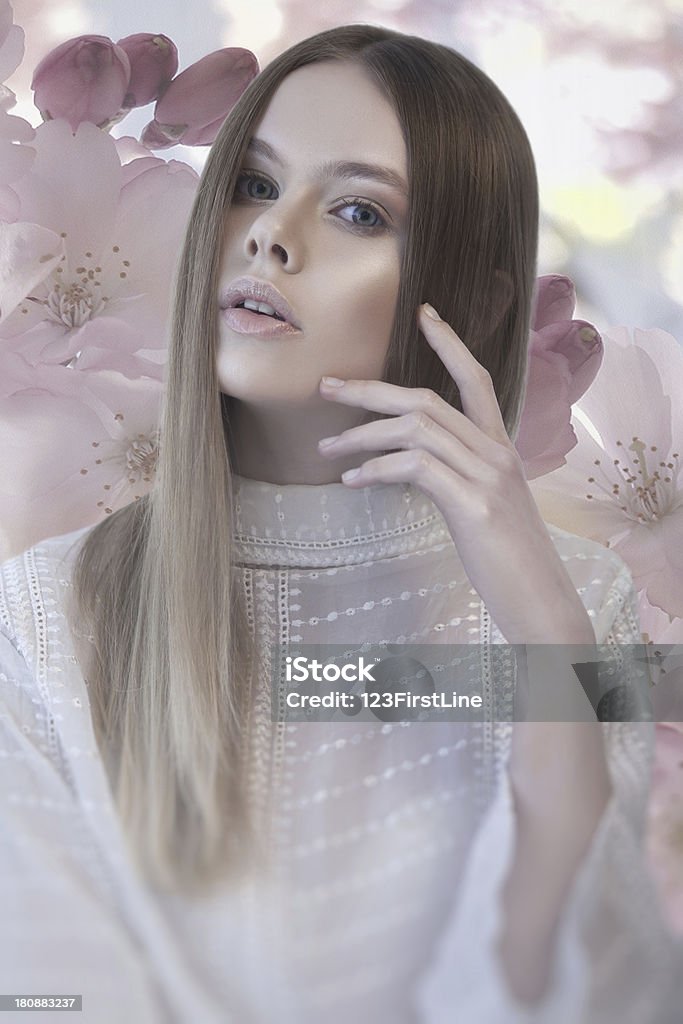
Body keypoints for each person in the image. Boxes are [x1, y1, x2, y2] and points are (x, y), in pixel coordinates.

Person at [0, 23, 681, 1024]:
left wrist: (544, 628)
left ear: (464, 300)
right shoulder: (41, 607)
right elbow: (42, 992)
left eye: (359, 209)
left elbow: (588, 995)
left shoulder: (585, 599)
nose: (272, 236)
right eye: (253, 184)